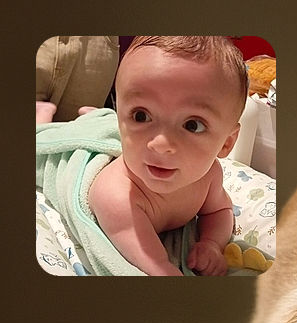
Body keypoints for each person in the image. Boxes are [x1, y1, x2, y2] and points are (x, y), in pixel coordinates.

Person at [88, 36, 247, 276]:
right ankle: (61, 118)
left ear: (226, 143)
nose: (160, 144)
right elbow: (153, 263)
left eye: (192, 125)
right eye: (140, 116)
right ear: (119, 115)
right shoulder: (116, 195)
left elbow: (220, 211)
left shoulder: (209, 176)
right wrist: (164, 268)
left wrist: (213, 244)